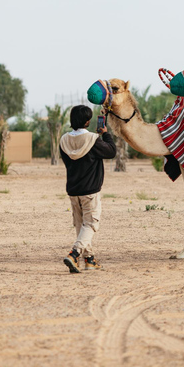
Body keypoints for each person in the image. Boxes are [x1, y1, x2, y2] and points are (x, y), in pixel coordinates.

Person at [59, 105, 116, 273]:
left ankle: (89, 259)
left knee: (81, 226)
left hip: (73, 189)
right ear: (87, 121)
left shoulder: (64, 141)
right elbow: (111, 151)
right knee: (91, 224)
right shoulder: (92, 140)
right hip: (90, 190)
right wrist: (105, 133)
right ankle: (74, 253)